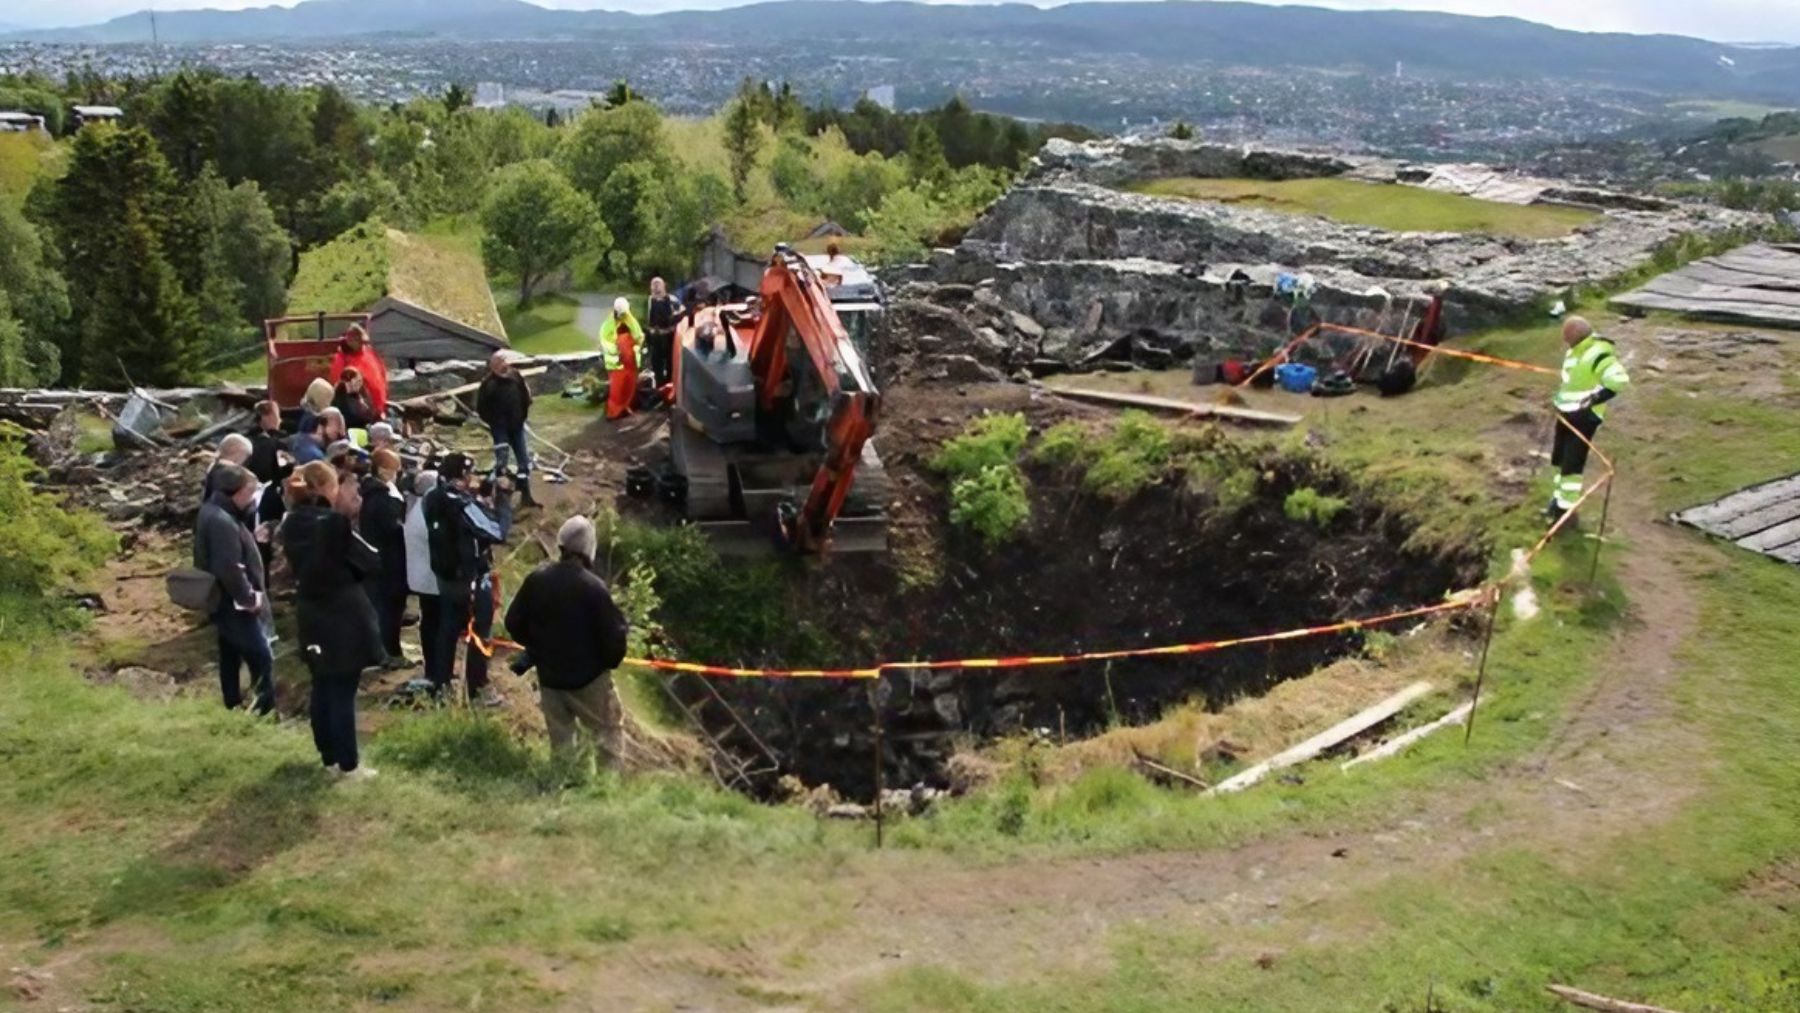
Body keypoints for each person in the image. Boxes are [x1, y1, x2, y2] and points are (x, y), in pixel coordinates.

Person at [282, 461, 383, 777]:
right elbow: (370, 560)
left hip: (311, 611)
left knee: (322, 686)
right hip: (343, 612)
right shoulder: (333, 524)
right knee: (343, 689)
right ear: (327, 488)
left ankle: (328, 757)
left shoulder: (290, 523)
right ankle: (348, 764)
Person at [504, 515, 630, 767]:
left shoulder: (537, 579)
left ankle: (563, 785)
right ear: (588, 548)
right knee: (608, 735)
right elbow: (615, 643)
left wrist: (538, 647)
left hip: (550, 677)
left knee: (561, 741)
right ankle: (607, 793)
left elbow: (513, 623)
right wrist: (603, 662)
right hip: (590, 679)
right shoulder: (594, 588)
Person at [424, 452, 513, 706]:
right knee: (479, 631)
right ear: (462, 476)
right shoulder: (460, 504)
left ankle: (440, 685)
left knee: (447, 630)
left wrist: (480, 496)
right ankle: (478, 690)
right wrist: (503, 500)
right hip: (471, 579)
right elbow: (496, 531)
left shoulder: (433, 497)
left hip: (445, 577)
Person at [194, 463, 275, 715]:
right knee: (261, 657)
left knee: (230, 654)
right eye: (250, 493)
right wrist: (249, 599)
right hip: (234, 603)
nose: (252, 500)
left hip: (222, 600)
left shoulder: (213, 512)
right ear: (236, 492)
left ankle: (232, 704)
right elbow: (229, 567)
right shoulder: (222, 522)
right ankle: (264, 709)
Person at [1547, 316, 1630, 523]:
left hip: (1583, 417)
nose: (1564, 340)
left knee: (1572, 464)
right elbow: (1573, 382)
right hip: (1566, 413)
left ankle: (1565, 514)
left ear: (1575, 334)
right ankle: (1557, 501)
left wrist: (1593, 400)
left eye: (1566, 335)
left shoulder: (1598, 353)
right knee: (1559, 458)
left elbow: (1619, 381)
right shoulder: (1575, 351)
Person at [359, 448, 411, 667]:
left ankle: (387, 650)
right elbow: (392, 529)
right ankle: (388, 653)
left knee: (387, 608)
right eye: (393, 470)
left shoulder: (375, 493)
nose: (396, 475)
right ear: (381, 470)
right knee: (388, 610)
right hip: (387, 561)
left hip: (382, 559)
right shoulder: (381, 499)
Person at [475, 351, 541, 508]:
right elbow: (481, 408)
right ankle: (498, 498)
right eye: (500, 364)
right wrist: (494, 423)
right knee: (501, 463)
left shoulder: (515, 376)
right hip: (500, 429)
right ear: (493, 367)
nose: (504, 366)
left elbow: (525, 397)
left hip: (517, 426)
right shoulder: (488, 385)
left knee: (523, 462)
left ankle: (525, 495)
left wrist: (522, 417)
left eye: (504, 362)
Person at [404, 470, 443, 683]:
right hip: (430, 580)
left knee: (430, 623)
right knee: (434, 625)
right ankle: (436, 670)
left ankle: (435, 668)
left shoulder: (416, 508)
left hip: (422, 578)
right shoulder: (426, 512)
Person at [244, 400, 290, 573]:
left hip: (247, 494)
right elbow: (285, 470)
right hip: (269, 496)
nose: (280, 420)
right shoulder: (276, 444)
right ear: (268, 416)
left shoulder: (246, 441)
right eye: (277, 416)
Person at [329, 324, 389, 417]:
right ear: (350, 341)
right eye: (359, 341)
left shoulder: (369, 352)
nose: (362, 344)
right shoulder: (342, 359)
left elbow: (382, 373)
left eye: (363, 341)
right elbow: (339, 387)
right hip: (359, 412)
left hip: (378, 408)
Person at [599, 296, 643, 420]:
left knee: (629, 387)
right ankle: (613, 412)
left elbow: (638, 335)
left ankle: (625, 407)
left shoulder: (630, 320)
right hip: (617, 363)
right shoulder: (608, 324)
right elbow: (605, 341)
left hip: (630, 362)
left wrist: (635, 347)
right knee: (617, 390)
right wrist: (617, 350)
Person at [644, 277, 683, 390]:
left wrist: (672, 328)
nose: (656, 287)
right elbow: (645, 320)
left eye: (658, 284)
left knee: (671, 361)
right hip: (655, 338)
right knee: (656, 363)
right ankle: (659, 387)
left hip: (669, 336)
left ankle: (671, 385)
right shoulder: (649, 302)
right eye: (653, 285)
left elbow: (681, 316)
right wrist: (649, 331)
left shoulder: (672, 300)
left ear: (664, 286)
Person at [201, 434, 254, 502]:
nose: (239, 466)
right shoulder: (221, 474)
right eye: (237, 461)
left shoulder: (211, 466)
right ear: (233, 453)